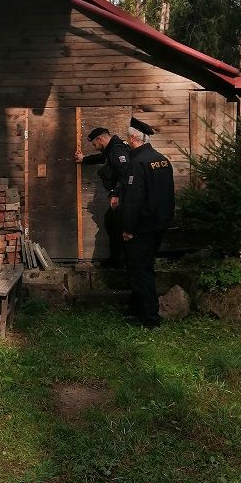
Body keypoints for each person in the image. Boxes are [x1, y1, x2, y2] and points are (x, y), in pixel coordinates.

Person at [120, 117, 175, 327]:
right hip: (158, 225)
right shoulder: (162, 160)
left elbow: (133, 200)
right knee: (145, 266)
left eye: (127, 138)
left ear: (133, 138)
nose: (127, 142)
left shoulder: (138, 163)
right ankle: (137, 310)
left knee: (139, 271)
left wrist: (128, 228)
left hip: (141, 228)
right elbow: (168, 194)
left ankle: (150, 318)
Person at [75, 126, 130, 267]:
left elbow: (125, 173)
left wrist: (116, 194)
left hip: (124, 197)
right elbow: (101, 158)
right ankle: (117, 259)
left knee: (117, 226)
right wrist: (84, 159)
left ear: (100, 139)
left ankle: (121, 261)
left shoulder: (117, 150)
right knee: (111, 223)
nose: (95, 147)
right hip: (120, 195)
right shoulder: (111, 150)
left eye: (95, 144)